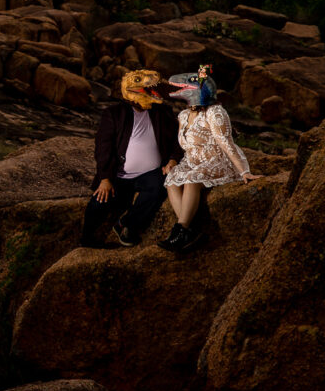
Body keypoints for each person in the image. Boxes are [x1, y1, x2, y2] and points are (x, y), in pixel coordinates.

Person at [159, 65, 262, 251]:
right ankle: (185, 230)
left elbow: (226, 142)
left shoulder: (214, 113)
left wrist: (244, 171)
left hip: (217, 159)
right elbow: (184, 146)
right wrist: (173, 162)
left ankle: (181, 229)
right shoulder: (183, 115)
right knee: (172, 180)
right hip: (192, 161)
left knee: (192, 179)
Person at [80, 69, 184, 248]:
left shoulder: (162, 112)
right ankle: (86, 239)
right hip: (119, 175)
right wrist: (105, 178)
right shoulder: (114, 113)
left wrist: (173, 160)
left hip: (151, 173)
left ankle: (126, 225)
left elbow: (178, 139)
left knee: (159, 188)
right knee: (100, 200)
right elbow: (103, 147)